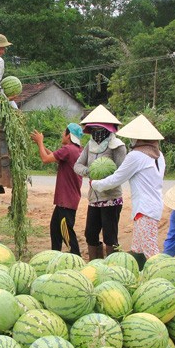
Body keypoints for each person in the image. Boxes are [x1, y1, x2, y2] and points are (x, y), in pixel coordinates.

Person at [90, 115, 166, 270]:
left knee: (150, 250)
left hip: (145, 209)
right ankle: (139, 276)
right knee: (137, 248)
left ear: (139, 139)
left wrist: (95, 184)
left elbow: (117, 178)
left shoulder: (136, 156)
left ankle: (161, 277)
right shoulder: (158, 155)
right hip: (151, 207)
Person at [74, 105, 127, 260]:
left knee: (110, 236)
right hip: (94, 198)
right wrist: (90, 172)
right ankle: (96, 264)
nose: (97, 133)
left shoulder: (118, 146)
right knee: (90, 234)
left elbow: (121, 172)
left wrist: (104, 177)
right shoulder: (90, 146)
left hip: (111, 198)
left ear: (109, 128)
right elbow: (77, 165)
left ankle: (113, 266)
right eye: (94, 129)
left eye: (100, 128)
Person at [31, 123, 84, 256]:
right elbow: (54, 156)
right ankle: (56, 256)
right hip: (66, 200)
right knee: (55, 229)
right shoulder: (76, 150)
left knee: (66, 232)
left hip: (66, 200)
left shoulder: (68, 149)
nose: (62, 135)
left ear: (68, 135)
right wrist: (42, 146)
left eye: (63, 133)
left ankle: (76, 258)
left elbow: (45, 159)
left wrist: (40, 142)